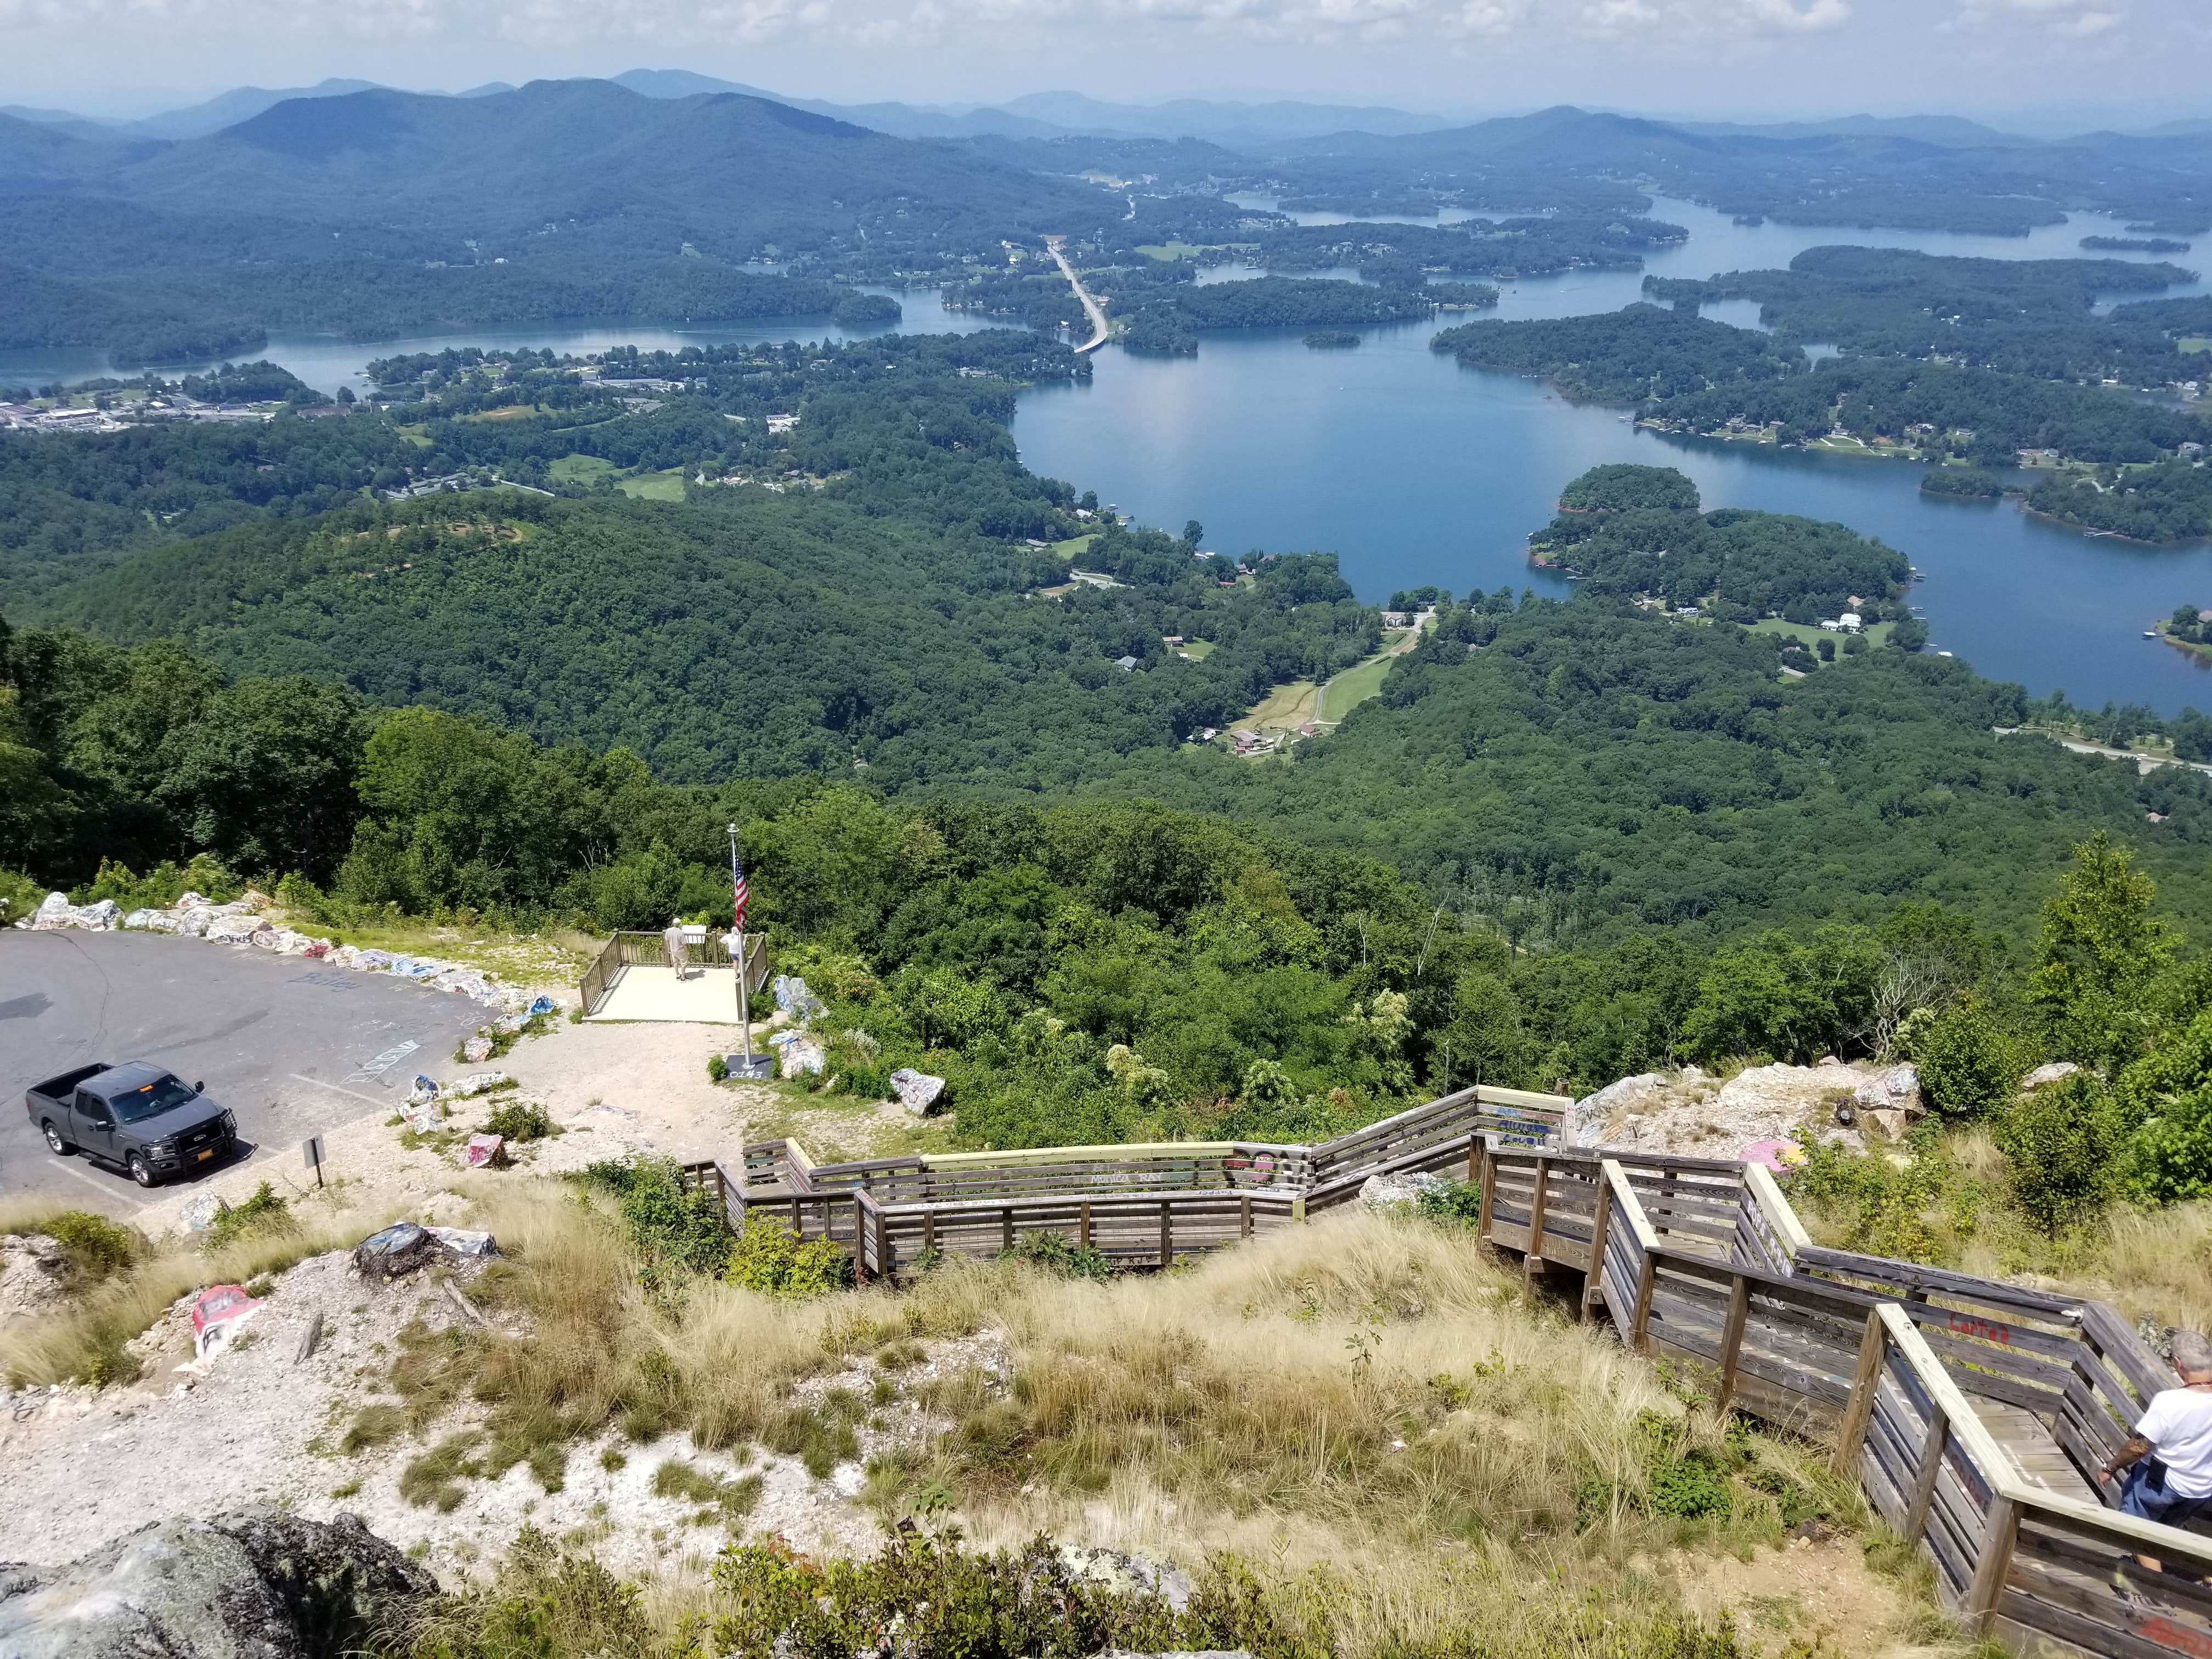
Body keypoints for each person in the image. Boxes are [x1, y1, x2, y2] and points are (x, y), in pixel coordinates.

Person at [2101, 1330, 2212, 1574]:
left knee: (2137, 1528)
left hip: (2162, 1483)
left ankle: (2156, 1593)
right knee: (2167, 1531)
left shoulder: (2170, 1402)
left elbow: (2138, 1447)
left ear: (2178, 1364)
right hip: (2202, 1488)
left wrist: (2110, 1467)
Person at [662, 916, 689, 981]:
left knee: (675, 962)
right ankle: (683, 978)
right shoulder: (681, 932)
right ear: (679, 925)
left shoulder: (668, 931)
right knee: (684, 963)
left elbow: (667, 940)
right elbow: (684, 943)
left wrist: (669, 948)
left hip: (673, 950)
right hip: (680, 950)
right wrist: (687, 951)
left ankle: (678, 975)